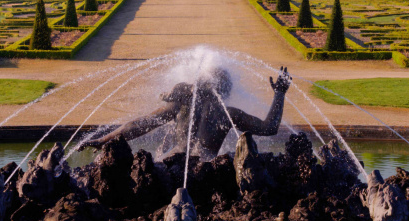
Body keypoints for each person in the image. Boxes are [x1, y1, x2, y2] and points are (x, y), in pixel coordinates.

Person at [81, 67, 292, 159]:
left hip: (173, 162)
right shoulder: (227, 114)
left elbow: (140, 125)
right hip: (205, 170)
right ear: (225, 90)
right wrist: (280, 94)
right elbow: (269, 128)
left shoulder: (182, 105)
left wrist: (105, 139)